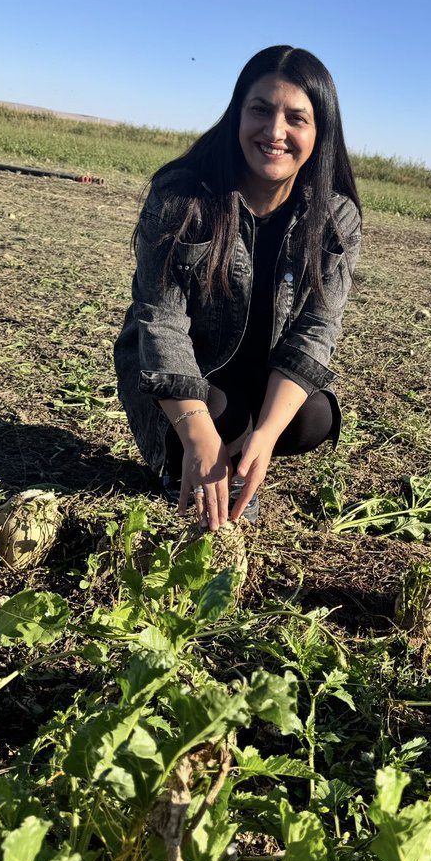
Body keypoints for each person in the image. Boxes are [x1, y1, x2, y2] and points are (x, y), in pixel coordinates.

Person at [114, 45, 362, 530]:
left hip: (259, 372)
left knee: (311, 417)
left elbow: (316, 329)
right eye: (260, 110)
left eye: (296, 118)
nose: (275, 132)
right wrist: (197, 431)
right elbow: (159, 321)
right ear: (237, 114)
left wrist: (268, 435)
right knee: (217, 417)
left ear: (320, 132)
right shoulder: (182, 196)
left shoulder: (335, 218)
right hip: (185, 371)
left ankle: (240, 446)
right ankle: (186, 457)